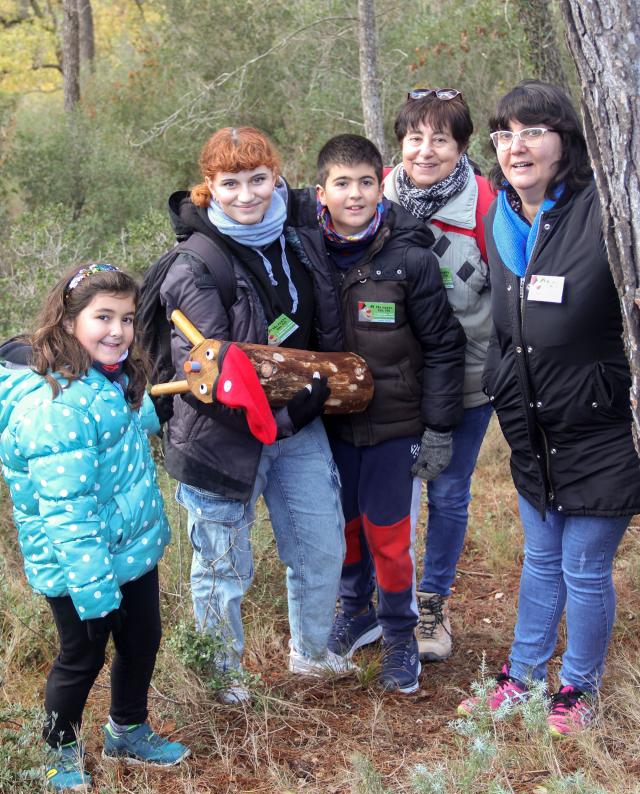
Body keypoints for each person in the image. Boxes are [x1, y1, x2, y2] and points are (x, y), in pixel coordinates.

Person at [457, 80, 640, 735]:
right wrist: (506, 384)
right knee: (540, 561)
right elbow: (508, 327)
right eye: (504, 133)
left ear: (566, 142)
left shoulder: (606, 212)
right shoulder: (498, 220)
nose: (517, 146)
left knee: (585, 568)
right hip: (534, 425)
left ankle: (578, 691)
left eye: (533, 130)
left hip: (603, 428)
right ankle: (521, 678)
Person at [159, 126, 350, 702]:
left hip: (298, 425)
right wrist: (283, 421)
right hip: (219, 439)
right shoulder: (194, 266)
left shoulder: (297, 236)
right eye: (231, 183)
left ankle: (312, 655)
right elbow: (206, 381)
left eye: (258, 179)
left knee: (322, 546)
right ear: (208, 186)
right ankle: (221, 680)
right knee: (222, 566)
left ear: (276, 176)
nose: (246, 195)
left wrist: (309, 404)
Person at [0, 264, 189, 793]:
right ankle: (58, 749)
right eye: (102, 317)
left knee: (142, 639)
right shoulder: (57, 409)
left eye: (127, 319)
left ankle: (126, 728)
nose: (118, 331)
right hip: (79, 564)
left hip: (126, 549)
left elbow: (131, 425)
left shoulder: (111, 380)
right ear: (66, 323)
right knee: (81, 656)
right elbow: (67, 513)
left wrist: (164, 401)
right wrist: (93, 591)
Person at [288, 134, 466, 693]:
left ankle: (397, 636)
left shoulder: (409, 256)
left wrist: (438, 427)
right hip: (331, 426)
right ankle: (355, 610)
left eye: (366, 181)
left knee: (388, 535)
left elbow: (443, 346)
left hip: (396, 427)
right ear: (322, 192)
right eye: (342, 183)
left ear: (381, 183)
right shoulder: (303, 252)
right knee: (345, 531)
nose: (356, 194)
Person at [384, 89, 494, 662]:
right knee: (387, 492)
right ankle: (384, 601)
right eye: (415, 138)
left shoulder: (488, 206)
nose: (425, 152)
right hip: (390, 382)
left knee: (448, 493)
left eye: (441, 140)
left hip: (469, 381)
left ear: (462, 146)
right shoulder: (372, 195)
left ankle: (433, 603)